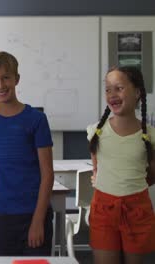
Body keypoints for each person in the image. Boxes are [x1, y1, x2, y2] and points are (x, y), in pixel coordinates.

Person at [0, 51, 54, 256]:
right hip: (3, 214)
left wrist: (38, 222)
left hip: (34, 212)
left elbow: (48, 174)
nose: (0, 85)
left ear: (16, 79)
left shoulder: (36, 119)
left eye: (6, 78)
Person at [87, 66, 155, 264]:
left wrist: (129, 187)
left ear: (137, 92)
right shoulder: (95, 132)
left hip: (137, 209)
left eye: (119, 88)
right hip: (103, 209)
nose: (112, 94)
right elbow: (96, 171)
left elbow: (152, 175)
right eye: (108, 89)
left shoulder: (150, 135)